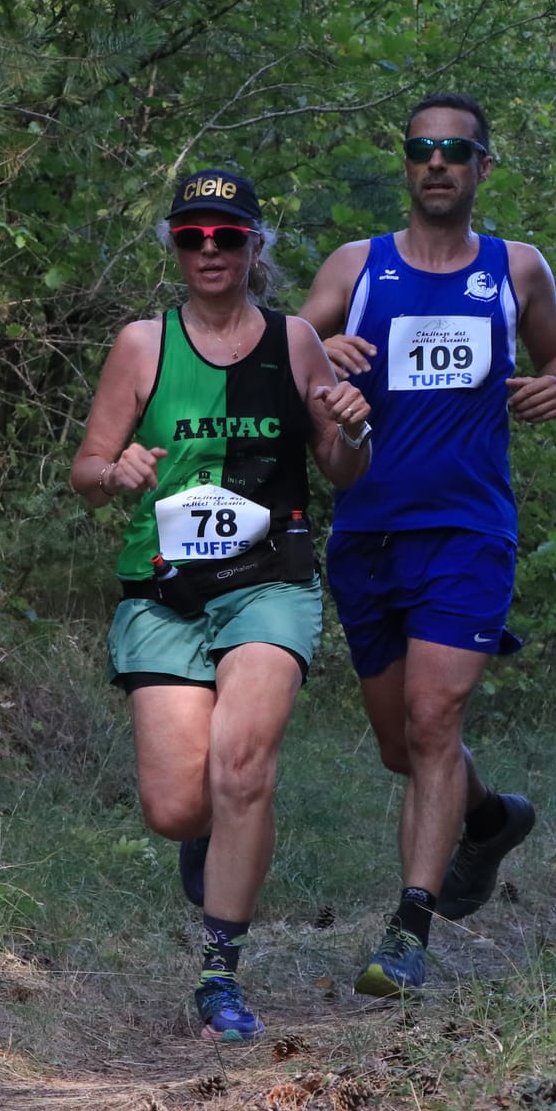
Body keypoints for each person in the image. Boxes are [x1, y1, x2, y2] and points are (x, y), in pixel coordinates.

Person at [71, 168, 372, 1040]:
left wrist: (354, 427)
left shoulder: (296, 342)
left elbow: (342, 471)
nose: (210, 250)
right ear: (174, 245)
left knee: (243, 765)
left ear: (254, 247)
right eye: (193, 235)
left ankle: (219, 971)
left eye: (228, 236)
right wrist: (116, 470)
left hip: (268, 578)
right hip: (163, 590)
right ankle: (214, 840)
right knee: (178, 805)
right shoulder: (142, 344)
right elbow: (87, 473)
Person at [297, 93, 556, 998]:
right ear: (406, 163)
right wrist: (325, 361)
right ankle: (490, 818)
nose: (437, 163)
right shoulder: (359, 267)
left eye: (455, 152)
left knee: (434, 723)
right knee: (403, 746)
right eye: (422, 149)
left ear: (481, 168)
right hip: (369, 533)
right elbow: (294, 352)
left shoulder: (516, 269)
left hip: (469, 529)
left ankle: (407, 930)